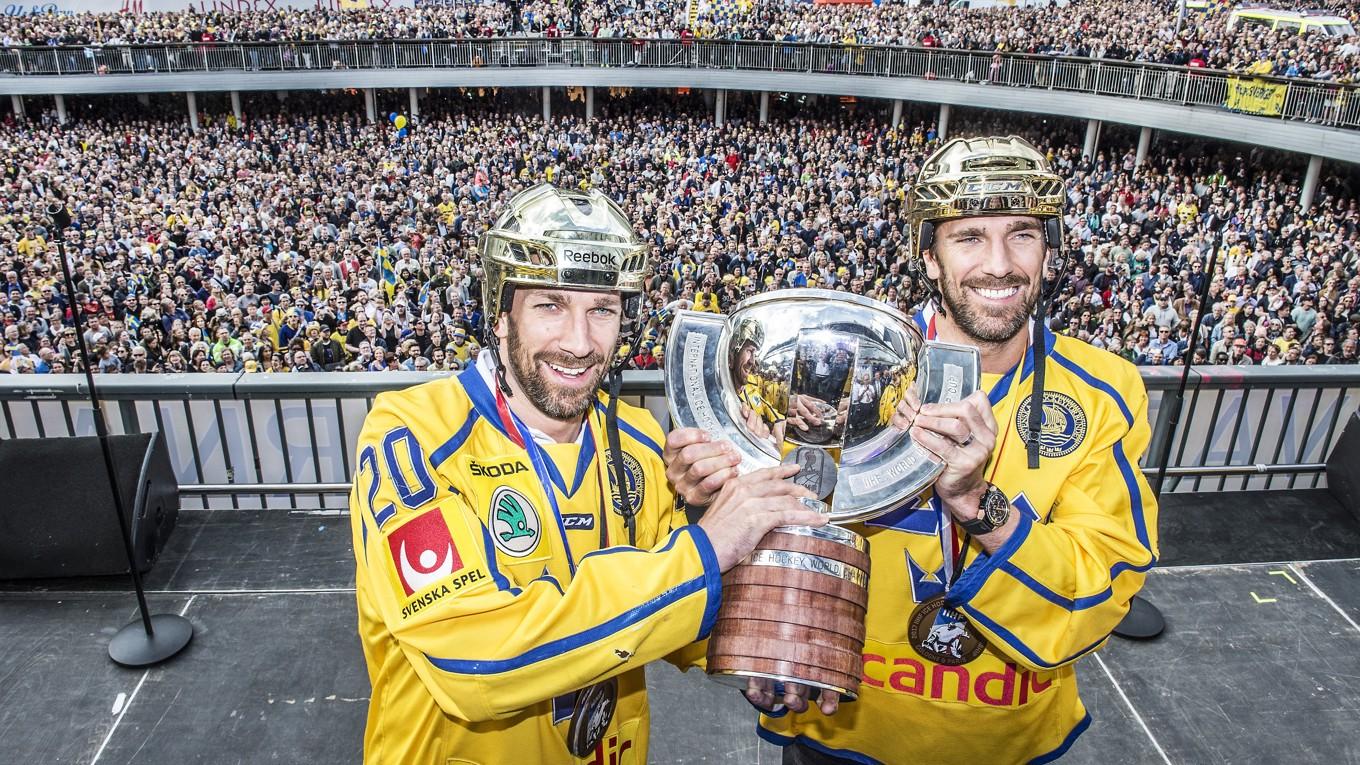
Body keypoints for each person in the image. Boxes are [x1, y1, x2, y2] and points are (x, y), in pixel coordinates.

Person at [350, 183, 826, 764]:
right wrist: (704, 549)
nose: (579, 343)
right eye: (550, 305)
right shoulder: (411, 434)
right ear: (501, 314)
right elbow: (468, 663)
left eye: (601, 309)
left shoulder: (643, 440)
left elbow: (677, 616)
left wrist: (769, 653)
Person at [751, 137, 1160, 764]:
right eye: (969, 237)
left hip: (1005, 738)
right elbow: (789, 524)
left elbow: (1101, 590)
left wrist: (974, 501)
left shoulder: (1106, 390)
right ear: (930, 258)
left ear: (1048, 252)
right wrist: (774, 641)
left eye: (1021, 234)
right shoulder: (845, 361)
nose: (1000, 264)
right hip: (844, 728)